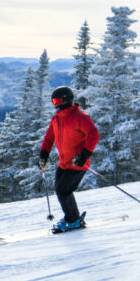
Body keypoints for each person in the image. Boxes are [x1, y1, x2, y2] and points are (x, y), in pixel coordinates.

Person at [39, 86, 100, 232]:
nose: (56, 104)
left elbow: (94, 134)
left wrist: (85, 154)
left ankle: (72, 220)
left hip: (78, 162)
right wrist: (44, 154)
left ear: (67, 100)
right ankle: (73, 218)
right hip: (64, 162)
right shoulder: (56, 119)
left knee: (63, 190)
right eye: (54, 101)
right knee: (61, 190)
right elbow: (49, 138)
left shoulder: (80, 117)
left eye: (58, 101)